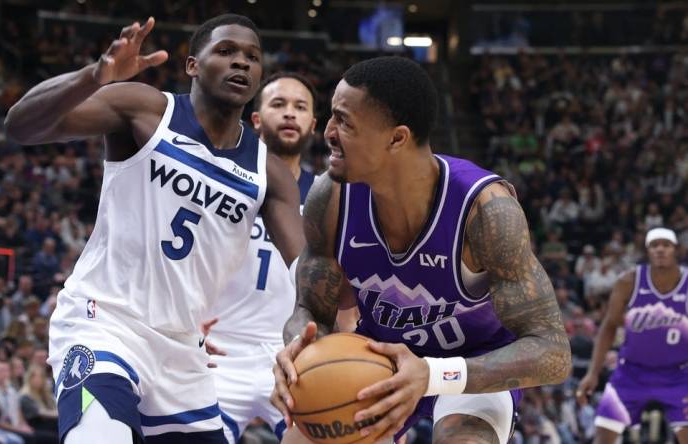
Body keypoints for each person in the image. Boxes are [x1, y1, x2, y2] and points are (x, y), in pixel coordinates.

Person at [4, 13, 303, 444]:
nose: (241, 63)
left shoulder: (268, 172)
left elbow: (306, 267)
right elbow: (21, 126)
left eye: (252, 57)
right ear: (193, 66)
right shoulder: (145, 109)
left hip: (182, 352)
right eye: (226, 52)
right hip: (103, 322)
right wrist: (96, 75)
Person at [271, 57, 571, 444]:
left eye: (344, 121)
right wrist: (300, 353)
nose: (327, 132)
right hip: (375, 361)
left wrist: (434, 374)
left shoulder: (484, 211)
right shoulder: (330, 199)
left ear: (397, 138)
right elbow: (310, 310)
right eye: (330, 117)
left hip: (471, 367)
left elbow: (553, 352)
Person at [205, 72, 317, 443]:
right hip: (218, 350)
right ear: (255, 119)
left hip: (294, 354)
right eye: (278, 104)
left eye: (300, 107)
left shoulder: (328, 196)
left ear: (313, 124)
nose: (290, 114)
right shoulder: (221, 182)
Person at [576, 227, 687, 444]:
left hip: (679, 374)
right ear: (647, 251)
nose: (660, 250)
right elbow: (608, 327)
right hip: (631, 372)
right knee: (603, 437)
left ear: (676, 250)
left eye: (666, 245)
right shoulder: (629, 281)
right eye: (655, 246)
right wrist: (593, 372)